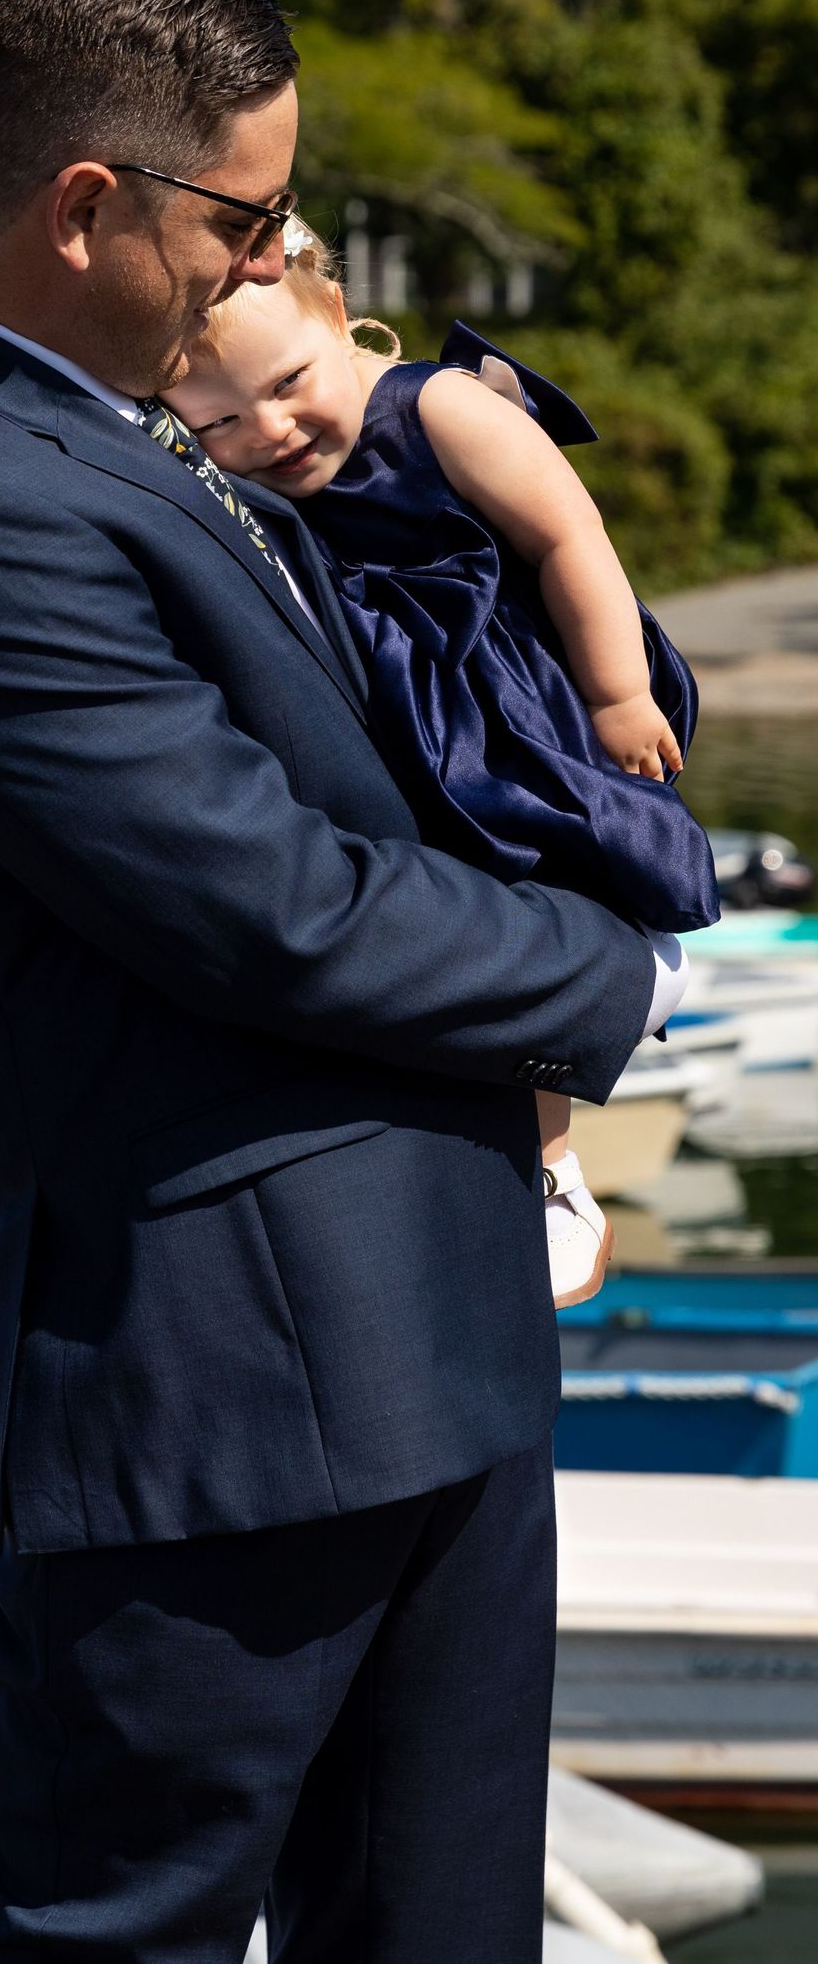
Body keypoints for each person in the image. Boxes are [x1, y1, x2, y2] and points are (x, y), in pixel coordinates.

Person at [0, 0, 690, 1964]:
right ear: (91, 205)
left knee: (440, 1937)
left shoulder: (111, 409)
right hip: (218, 1406)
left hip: (435, 1344)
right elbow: (267, 907)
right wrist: (615, 970)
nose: (272, 266)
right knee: (122, 1935)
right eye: (249, 217)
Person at [168, 234, 719, 1309]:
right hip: (390, 714)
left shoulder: (441, 411)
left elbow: (570, 536)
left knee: (535, 897)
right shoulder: (245, 473)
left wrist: (617, 694)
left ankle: (555, 1168)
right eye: (220, 420)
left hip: (499, 702)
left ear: (342, 320)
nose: (270, 430)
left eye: (288, 385)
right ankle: (510, 1161)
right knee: (433, 920)